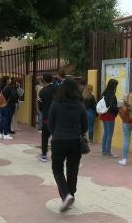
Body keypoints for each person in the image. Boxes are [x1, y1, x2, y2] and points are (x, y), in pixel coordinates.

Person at [48, 79, 88, 213]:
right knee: (73, 169)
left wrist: (56, 133)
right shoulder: (80, 105)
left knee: (57, 168)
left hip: (59, 140)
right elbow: (85, 125)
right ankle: (71, 194)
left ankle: (66, 195)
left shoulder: (55, 104)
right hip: (75, 141)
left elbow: (50, 123)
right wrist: (79, 133)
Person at [38, 73, 58, 162]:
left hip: (46, 118)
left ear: (44, 80)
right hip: (57, 118)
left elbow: (40, 106)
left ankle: (44, 155)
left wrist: (44, 112)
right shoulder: (58, 89)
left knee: (45, 137)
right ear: (51, 79)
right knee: (56, 137)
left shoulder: (42, 91)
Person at [101, 79, 119, 157]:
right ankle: (108, 152)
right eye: (116, 85)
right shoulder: (112, 94)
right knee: (109, 134)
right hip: (110, 115)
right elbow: (111, 105)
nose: (116, 87)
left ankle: (104, 150)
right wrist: (118, 108)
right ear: (113, 86)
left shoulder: (105, 93)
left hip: (104, 114)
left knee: (105, 132)